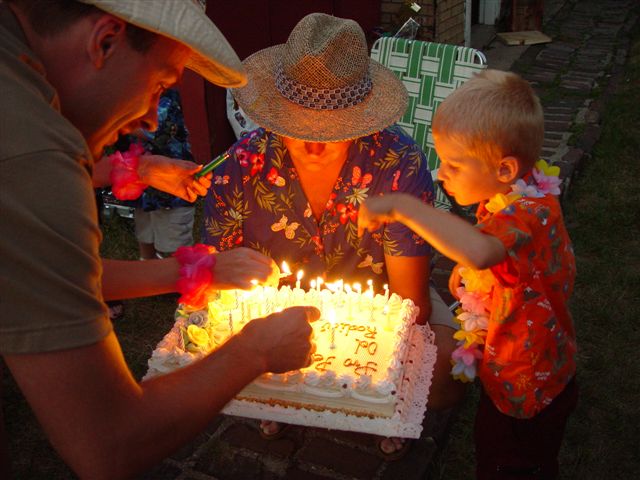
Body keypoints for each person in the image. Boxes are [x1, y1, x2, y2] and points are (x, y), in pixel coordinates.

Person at [0, 1, 319, 479]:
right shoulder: (34, 156)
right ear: (104, 41)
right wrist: (255, 350)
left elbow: (50, 275)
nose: (151, 120)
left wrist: (142, 168)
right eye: (160, 86)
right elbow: (109, 445)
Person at [201, 12, 465, 458]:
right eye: (297, 124)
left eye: (333, 129)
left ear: (361, 117)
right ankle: (278, 393)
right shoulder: (241, 166)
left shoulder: (397, 162)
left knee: (444, 372)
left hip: (373, 316)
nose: (313, 145)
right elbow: (217, 284)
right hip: (276, 313)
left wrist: (356, 344)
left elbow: (408, 305)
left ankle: (387, 403)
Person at [358, 69, 578, 478]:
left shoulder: (527, 214)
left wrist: (402, 207)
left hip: (528, 381)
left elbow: (481, 250)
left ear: (505, 170)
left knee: (507, 462)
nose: (441, 173)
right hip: (522, 365)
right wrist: (467, 268)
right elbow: (488, 253)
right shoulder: (515, 196)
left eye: (453, 165)